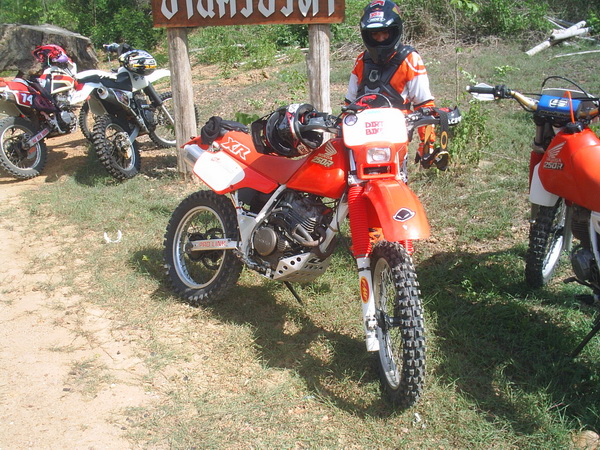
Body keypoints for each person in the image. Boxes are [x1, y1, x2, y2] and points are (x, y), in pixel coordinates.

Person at [345, 0, 448, 170]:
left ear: (394, 31)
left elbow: (424, 104)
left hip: (395, 135)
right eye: (375, 34)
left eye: (385, 33)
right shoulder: (362, 60)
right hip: (361, 135)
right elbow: (349, 103)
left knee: (396, 177)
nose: (380, 38)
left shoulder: (410, 59)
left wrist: (427, 144)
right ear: (367, 35)